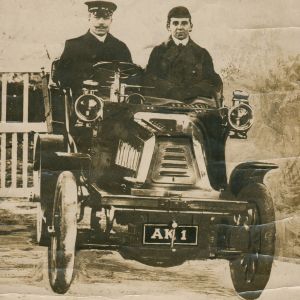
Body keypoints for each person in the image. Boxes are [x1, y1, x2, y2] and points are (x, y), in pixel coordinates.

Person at [144, 6, 223, 103]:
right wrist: (171, 90)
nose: (180, 27)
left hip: (194, 105)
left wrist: (191, 92)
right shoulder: (158, 52)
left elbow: (212, 81)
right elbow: (150, 78)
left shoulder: (202, 54)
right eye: (175, 23)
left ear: (191, 26)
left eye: (184, 23)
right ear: (168, 26)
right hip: (164, 104)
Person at [56, 0, 132, 96]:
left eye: (106, 18)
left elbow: (131, 78)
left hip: (114, 104)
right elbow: (61, 77)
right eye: (96, 17)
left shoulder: (120, 47)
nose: (101, 22)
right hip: (81, 104)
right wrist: (82, 83)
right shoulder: (73, 46)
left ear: (111, 20)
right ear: (89, 18)